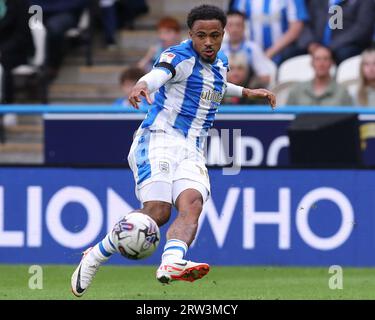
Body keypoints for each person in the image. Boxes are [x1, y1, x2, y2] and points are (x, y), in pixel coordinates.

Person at [71, 4, 275, 297]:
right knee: (158, 212)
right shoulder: (177, 56)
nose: (208, 42)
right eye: (201, 35)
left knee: (192, 203)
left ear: (222, 35)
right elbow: (159, 74)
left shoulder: (220, 63)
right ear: (190, 34)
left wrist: (246, 91)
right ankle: (95, 256)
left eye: (214, 35)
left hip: (192, 149)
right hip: (159, 138)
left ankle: (170, 263)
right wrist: (141, 84)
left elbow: (214, 84)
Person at [230, 0, 309, 64]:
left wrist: (269, 54)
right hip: (250, 55)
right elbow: (236, 21)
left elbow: (296, 28)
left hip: (283, 56)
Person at [298, 0, 375, 65]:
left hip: (345, 45)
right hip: (317, 45)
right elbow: (306, 24)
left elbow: (362, 29)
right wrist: (311, 43)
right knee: (292, 52)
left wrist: (329, 47)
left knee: (343, 53)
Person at [221, 10, 273, 88]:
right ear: (225, 28)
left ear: (244, 27)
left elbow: (265, 77)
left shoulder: (252, 49)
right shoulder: (220, 50)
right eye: (230, 25)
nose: (234, 29)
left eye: (238, 25)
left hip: (248, 92)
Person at [287, 46, 352, 106]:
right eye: (317, 59)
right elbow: (287, 116)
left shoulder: (342, 92)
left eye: (325, 59)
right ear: (312, 63)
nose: (321, 63)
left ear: (332, 63)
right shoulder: (297, 90)